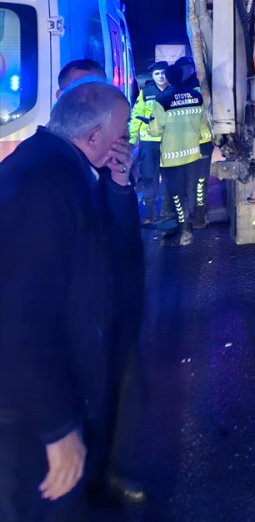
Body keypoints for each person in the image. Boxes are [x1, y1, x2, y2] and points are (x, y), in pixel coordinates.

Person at [0, 80, 131, 521]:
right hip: (27, 423)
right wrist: (57, 427)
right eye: (122, 133)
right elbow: (18, 317)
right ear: (93, 137)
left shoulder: (59, 167)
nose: (127, 141)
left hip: (43, 405)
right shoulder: (45, 186)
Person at [57, 67, 146, 506]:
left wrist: (120, 183)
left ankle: (100, 473)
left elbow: (125, 240)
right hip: (70, 317)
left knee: (111, 392)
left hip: (113, 307)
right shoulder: (55, 166)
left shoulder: (107, 165)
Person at [149, 63, 208, 247]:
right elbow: (203, 124)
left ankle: (185, 233)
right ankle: (192, 223)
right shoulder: (197, 96)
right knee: (191, 190)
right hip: (193, 153)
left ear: (167, 78)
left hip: (172, 157)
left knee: (177, 195)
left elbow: (155, 129)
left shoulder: (162, 100)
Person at [129, 61, 173, 225]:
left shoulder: (174, 90)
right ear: (152, 76)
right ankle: (150, 214)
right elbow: (136, 116)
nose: (160, 77)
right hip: (149, 142)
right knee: (149, 177)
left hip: (170, 141)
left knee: (169, 177)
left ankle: (167, 211)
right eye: (156, 74)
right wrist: (131, 140)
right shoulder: (146, 92)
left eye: (163, 73)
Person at [174, 55, 213, 229]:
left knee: (196, 181)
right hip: (195, 143)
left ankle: (196, 215)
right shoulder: (191, 88)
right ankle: (195, 215)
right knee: (195, 181)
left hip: (196, 142)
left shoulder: (196, 89)